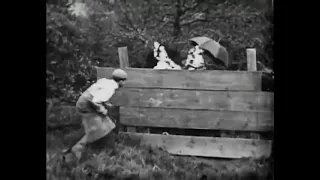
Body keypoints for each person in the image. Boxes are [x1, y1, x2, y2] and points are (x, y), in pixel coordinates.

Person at [62, 69, 128, 162]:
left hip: (85, 102)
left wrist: (105, 103)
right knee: (96, 130)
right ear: (121, 81)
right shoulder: (110, 89)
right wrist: (103, 110)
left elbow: (97, 93)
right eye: (125, 81)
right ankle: (74, 153)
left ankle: (109, 148)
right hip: (86, 106)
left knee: (108, 125)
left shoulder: (106, 81)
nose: (125, 83)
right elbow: (95, 101)